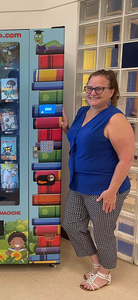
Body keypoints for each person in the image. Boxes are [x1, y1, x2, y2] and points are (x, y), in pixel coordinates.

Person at [61, 69, 135, 291]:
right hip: (78, 183)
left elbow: (126, 159)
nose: (93, 92)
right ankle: (96, 264)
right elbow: (82, 143)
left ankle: (105, 272)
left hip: (104, 189)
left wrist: (112, 191)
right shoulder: (83, 111)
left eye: (99, 88)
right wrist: (67, 129)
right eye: (89, 88)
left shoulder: (115, 119)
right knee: (72, 225)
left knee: (103, 231)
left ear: (111, 92)